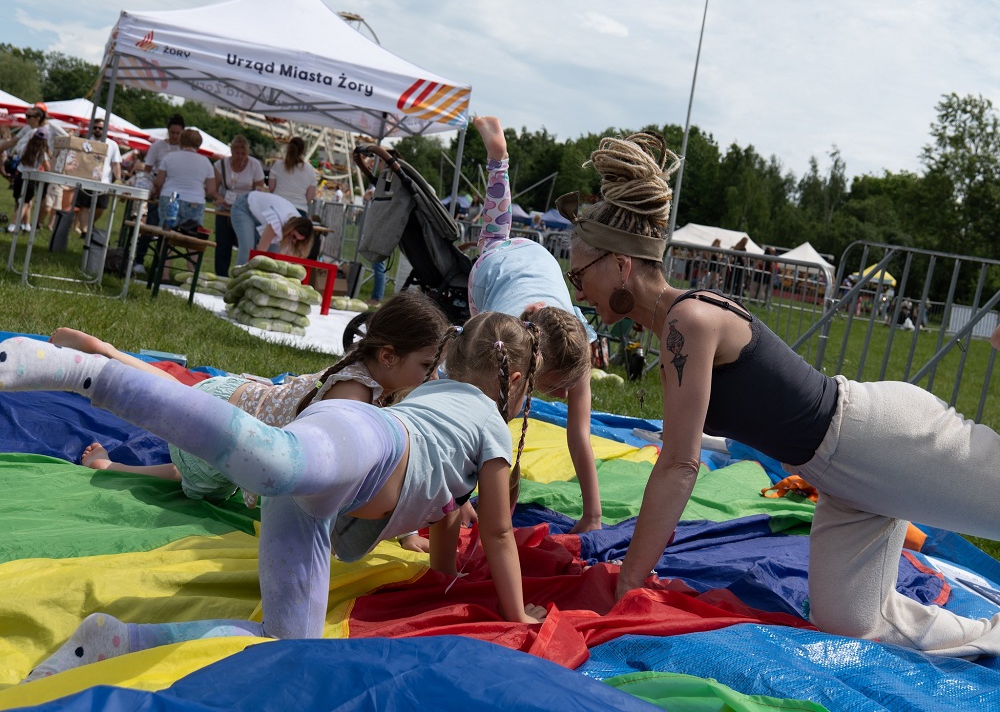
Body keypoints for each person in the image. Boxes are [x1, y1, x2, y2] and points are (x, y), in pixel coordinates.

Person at [560, 129, 1000, 659]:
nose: (578, 290)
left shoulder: (687, 320)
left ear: (621, 263)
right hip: (837, 477)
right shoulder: (676, 325)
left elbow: (679, 464)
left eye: (579, 275)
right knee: (852, 626)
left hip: (881, 440)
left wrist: (630, 581)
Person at [4, 309, 546, 682]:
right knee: (276, 462)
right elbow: (498, 530)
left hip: (320, 502)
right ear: (517, 379)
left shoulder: (437, 391)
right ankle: (86, 371)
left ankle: (114, 640)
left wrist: (442, 577)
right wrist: (517, 613)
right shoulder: (489, 423)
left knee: (287, 641)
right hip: (366, 443)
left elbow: (449, 512)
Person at [54, 290, 447, 517]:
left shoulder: (367, 369)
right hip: (229, 432)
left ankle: (107, 352)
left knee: (177, 392)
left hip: (234, 397)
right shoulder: (353, 395)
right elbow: (336, 474)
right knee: (194, 475)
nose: (431, 377)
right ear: (389, 356)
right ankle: (110, 466)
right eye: (427, 366)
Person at [467, 116, 600, 533]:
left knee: (494, 233)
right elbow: (476, 426)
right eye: (556, 388)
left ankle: (499, 162)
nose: (561, 396)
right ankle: (498, 162)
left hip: (535, 261)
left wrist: (593, 514)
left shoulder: (575, 344)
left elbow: (580, 433)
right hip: (491, 274)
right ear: (530, 367)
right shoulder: (501, 345)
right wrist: (457, 500)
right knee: (487, 408)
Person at [1, 103, 67, 233]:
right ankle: (23, 225)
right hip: (32, 170)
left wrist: (58, 158)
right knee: (24, 200)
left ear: (39, 117)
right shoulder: (29, 130)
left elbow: (67, 140)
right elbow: (14, 143)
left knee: (26, 200)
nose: (27, 118)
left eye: (29, 116)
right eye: (26, 115)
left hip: (32, 169)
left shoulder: (51, 127)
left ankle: (21, 225)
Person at [133, 114, 185, 273]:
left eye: (178, 133)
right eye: (172, 132)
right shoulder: (158, 146)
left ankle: (160, 264)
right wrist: (152, 188)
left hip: (175, 189)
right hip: (157, 186)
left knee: (169, 228)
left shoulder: (184, 149)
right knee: (151, 225)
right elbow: (148, 169)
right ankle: (139, 260)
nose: (175, 136)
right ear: (168, 131)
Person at [211, 135, 266, 276]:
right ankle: (221, 275)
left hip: (245, 211)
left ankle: (242, 273)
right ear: (232, 152)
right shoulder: (221, 165)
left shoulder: (254, 165)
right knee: (223, 245)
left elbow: (259, 189)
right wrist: (219, 198)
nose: (240, 156)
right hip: (225, 209)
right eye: (237, 153)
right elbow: (212, 189)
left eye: (243, 153)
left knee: (245, 244)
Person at [151, 129, 216, 229]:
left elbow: (158, 182)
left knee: (166, 230)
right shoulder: (206, 162)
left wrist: (156, 191)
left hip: (171, 195)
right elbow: (211, 190)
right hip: (195, 199)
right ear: (199, 144)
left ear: (180, 141)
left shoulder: (169, 157)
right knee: (190, 232)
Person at [230, 190, 314, 267]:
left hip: (260, 214)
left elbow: (285, 256)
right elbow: (260, 252)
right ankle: (238, 277)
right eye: (294, 237)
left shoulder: (297, 222)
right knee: (247, 250)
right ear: (290, 228)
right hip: (244, 207)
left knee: (272, 256)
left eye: (299, 241)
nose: (294, 241)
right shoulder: (277, 222)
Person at [72, 118, 123, 236]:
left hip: (104, 181)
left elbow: (116, 164)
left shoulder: (112, 144)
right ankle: (85, 231)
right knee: (84, 205)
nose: (97, 130)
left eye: (100, 128)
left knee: (101, 206)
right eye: (95, 128)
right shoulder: (86, 141)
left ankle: (89, 225)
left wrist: (118, 178)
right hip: (86, 178)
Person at [8, 128, 51, 231]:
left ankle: (26, 225)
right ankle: (13, 225)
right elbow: (48, 168)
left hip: (20, 175)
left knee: (20, 201)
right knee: (25, 203)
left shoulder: (24, 147)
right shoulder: (42, 153)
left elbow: (16, 153)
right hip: (31, 178)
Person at [268, 137, 316, 214]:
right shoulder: (310, 170)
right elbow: (309, 197)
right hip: (299, 209)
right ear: (303, 151)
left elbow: (271, 188)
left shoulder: (278, 165)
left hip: (277, 206)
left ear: (288, 147)